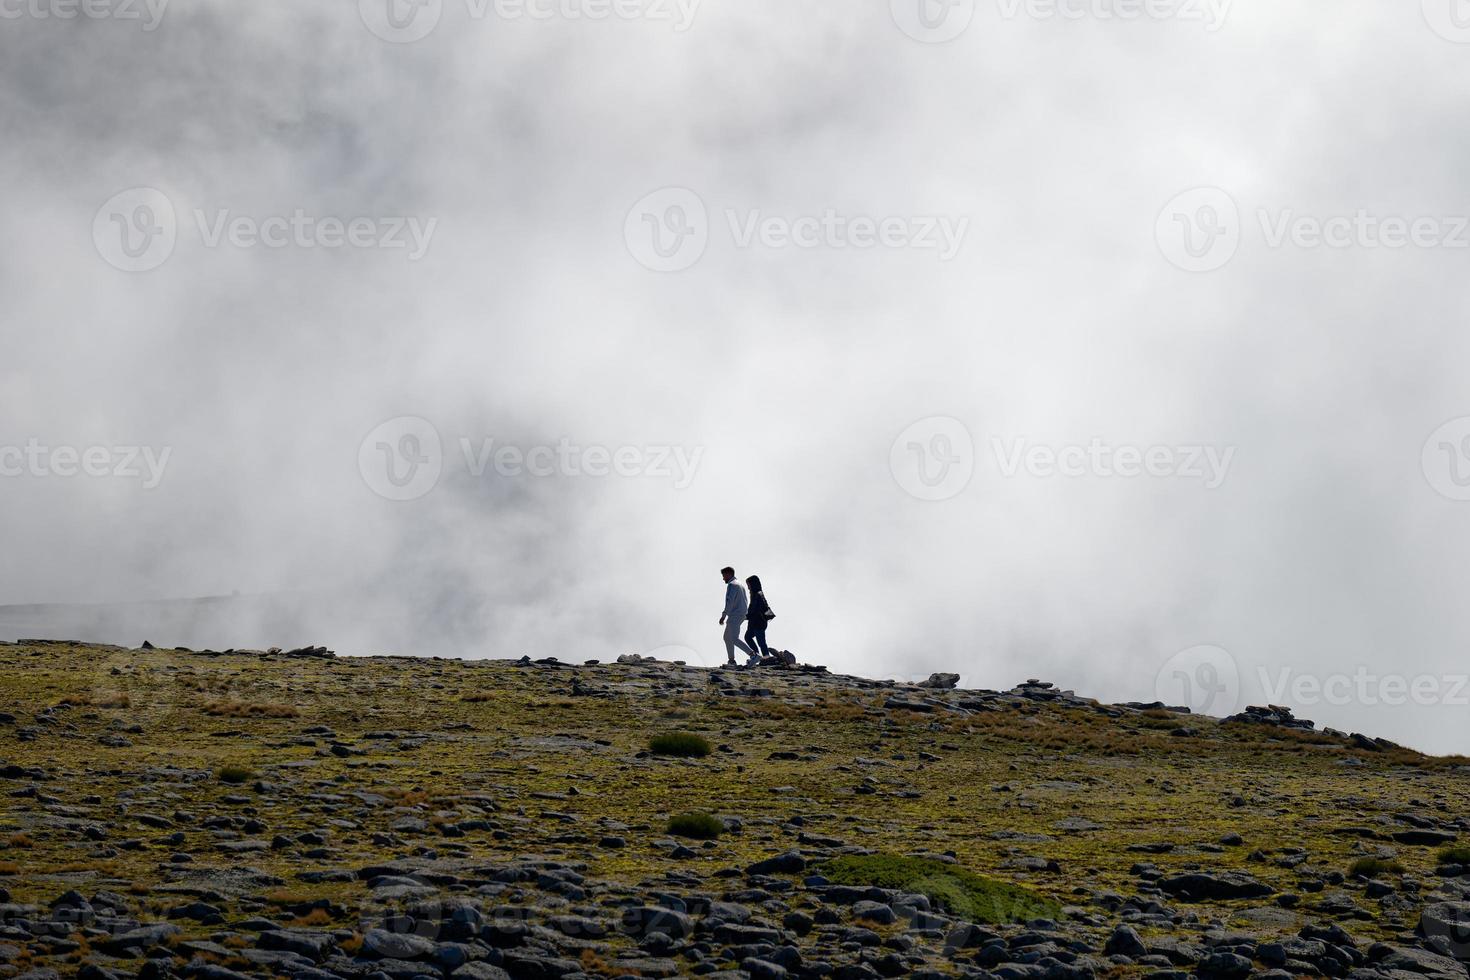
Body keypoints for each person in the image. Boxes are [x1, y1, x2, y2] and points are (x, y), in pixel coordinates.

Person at [718, 566, 754, 666]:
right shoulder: (739, 584)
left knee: (733, 638)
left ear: (729, 574)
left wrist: (723, 615)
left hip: (735, 614)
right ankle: (731, 660)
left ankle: (753, 655)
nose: (723, 578)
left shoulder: (732, 585)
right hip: (740, 614)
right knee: (727, 637)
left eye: (724, 575)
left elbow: (730, 601)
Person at [745, 574, 773, 662]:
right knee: (748, 637)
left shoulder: (758, 594)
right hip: (755, 622)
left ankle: (766, 657)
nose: (748, 587)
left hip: (759, 622)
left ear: (753, 584)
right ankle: (757, 655)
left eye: (749, 585)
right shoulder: (755, 594)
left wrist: (747, 615)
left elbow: (757, 608)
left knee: (761, 642)